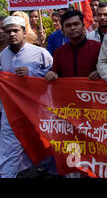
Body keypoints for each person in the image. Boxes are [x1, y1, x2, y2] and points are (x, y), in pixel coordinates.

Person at [0, 16, 53, 178]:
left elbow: (54, 78)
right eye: (8, 31)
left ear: (24, 32)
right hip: (11, 112)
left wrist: (33, 74)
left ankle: (54, 171)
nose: (12, 34)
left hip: (36, 111)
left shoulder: (40, 53)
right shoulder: (3, 55)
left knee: (43, 143)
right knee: (8, 147)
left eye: (16, 31)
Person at [45, 10, 101, 81]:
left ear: (83, 26)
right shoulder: (59, 53)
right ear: (63, 30)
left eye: (76, 24)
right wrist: (51, 74)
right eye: (68, 26)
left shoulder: (98, 48)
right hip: (67, 91)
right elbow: (55, 74)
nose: (72, 28)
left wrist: (100, 73)